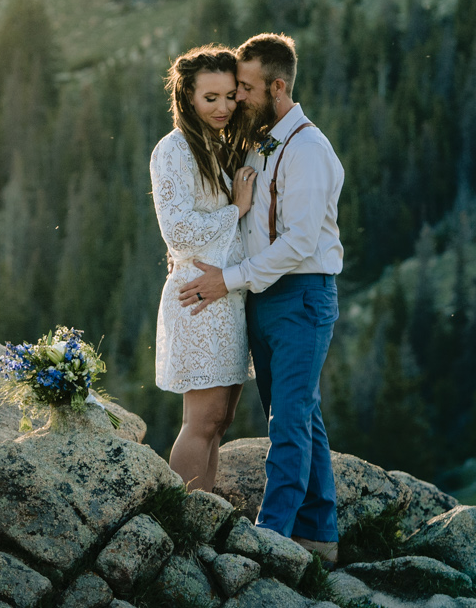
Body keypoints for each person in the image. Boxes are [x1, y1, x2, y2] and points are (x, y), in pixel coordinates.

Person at [178, 32, 344, 567]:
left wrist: (229, 279)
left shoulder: (310, 149)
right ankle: (319, 536)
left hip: (301, 294)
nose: (235, 98)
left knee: (289, 419)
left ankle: (272, 535)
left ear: (275, 87)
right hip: (263, 296)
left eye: (243, 88)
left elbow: (298, 241)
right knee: (298, 415)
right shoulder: (257, 141)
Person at [149, 44, 259, 493]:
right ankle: (184, 521)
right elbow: (177, 230)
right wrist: (236, 209)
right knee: (202, 420)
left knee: (221, 420)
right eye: (210, 97)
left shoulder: (216, 147)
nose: (223, 106)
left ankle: (202, 514)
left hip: (226, 297)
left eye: (230, 95)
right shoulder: (173, 149)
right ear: (187, 97)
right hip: (198, 297)